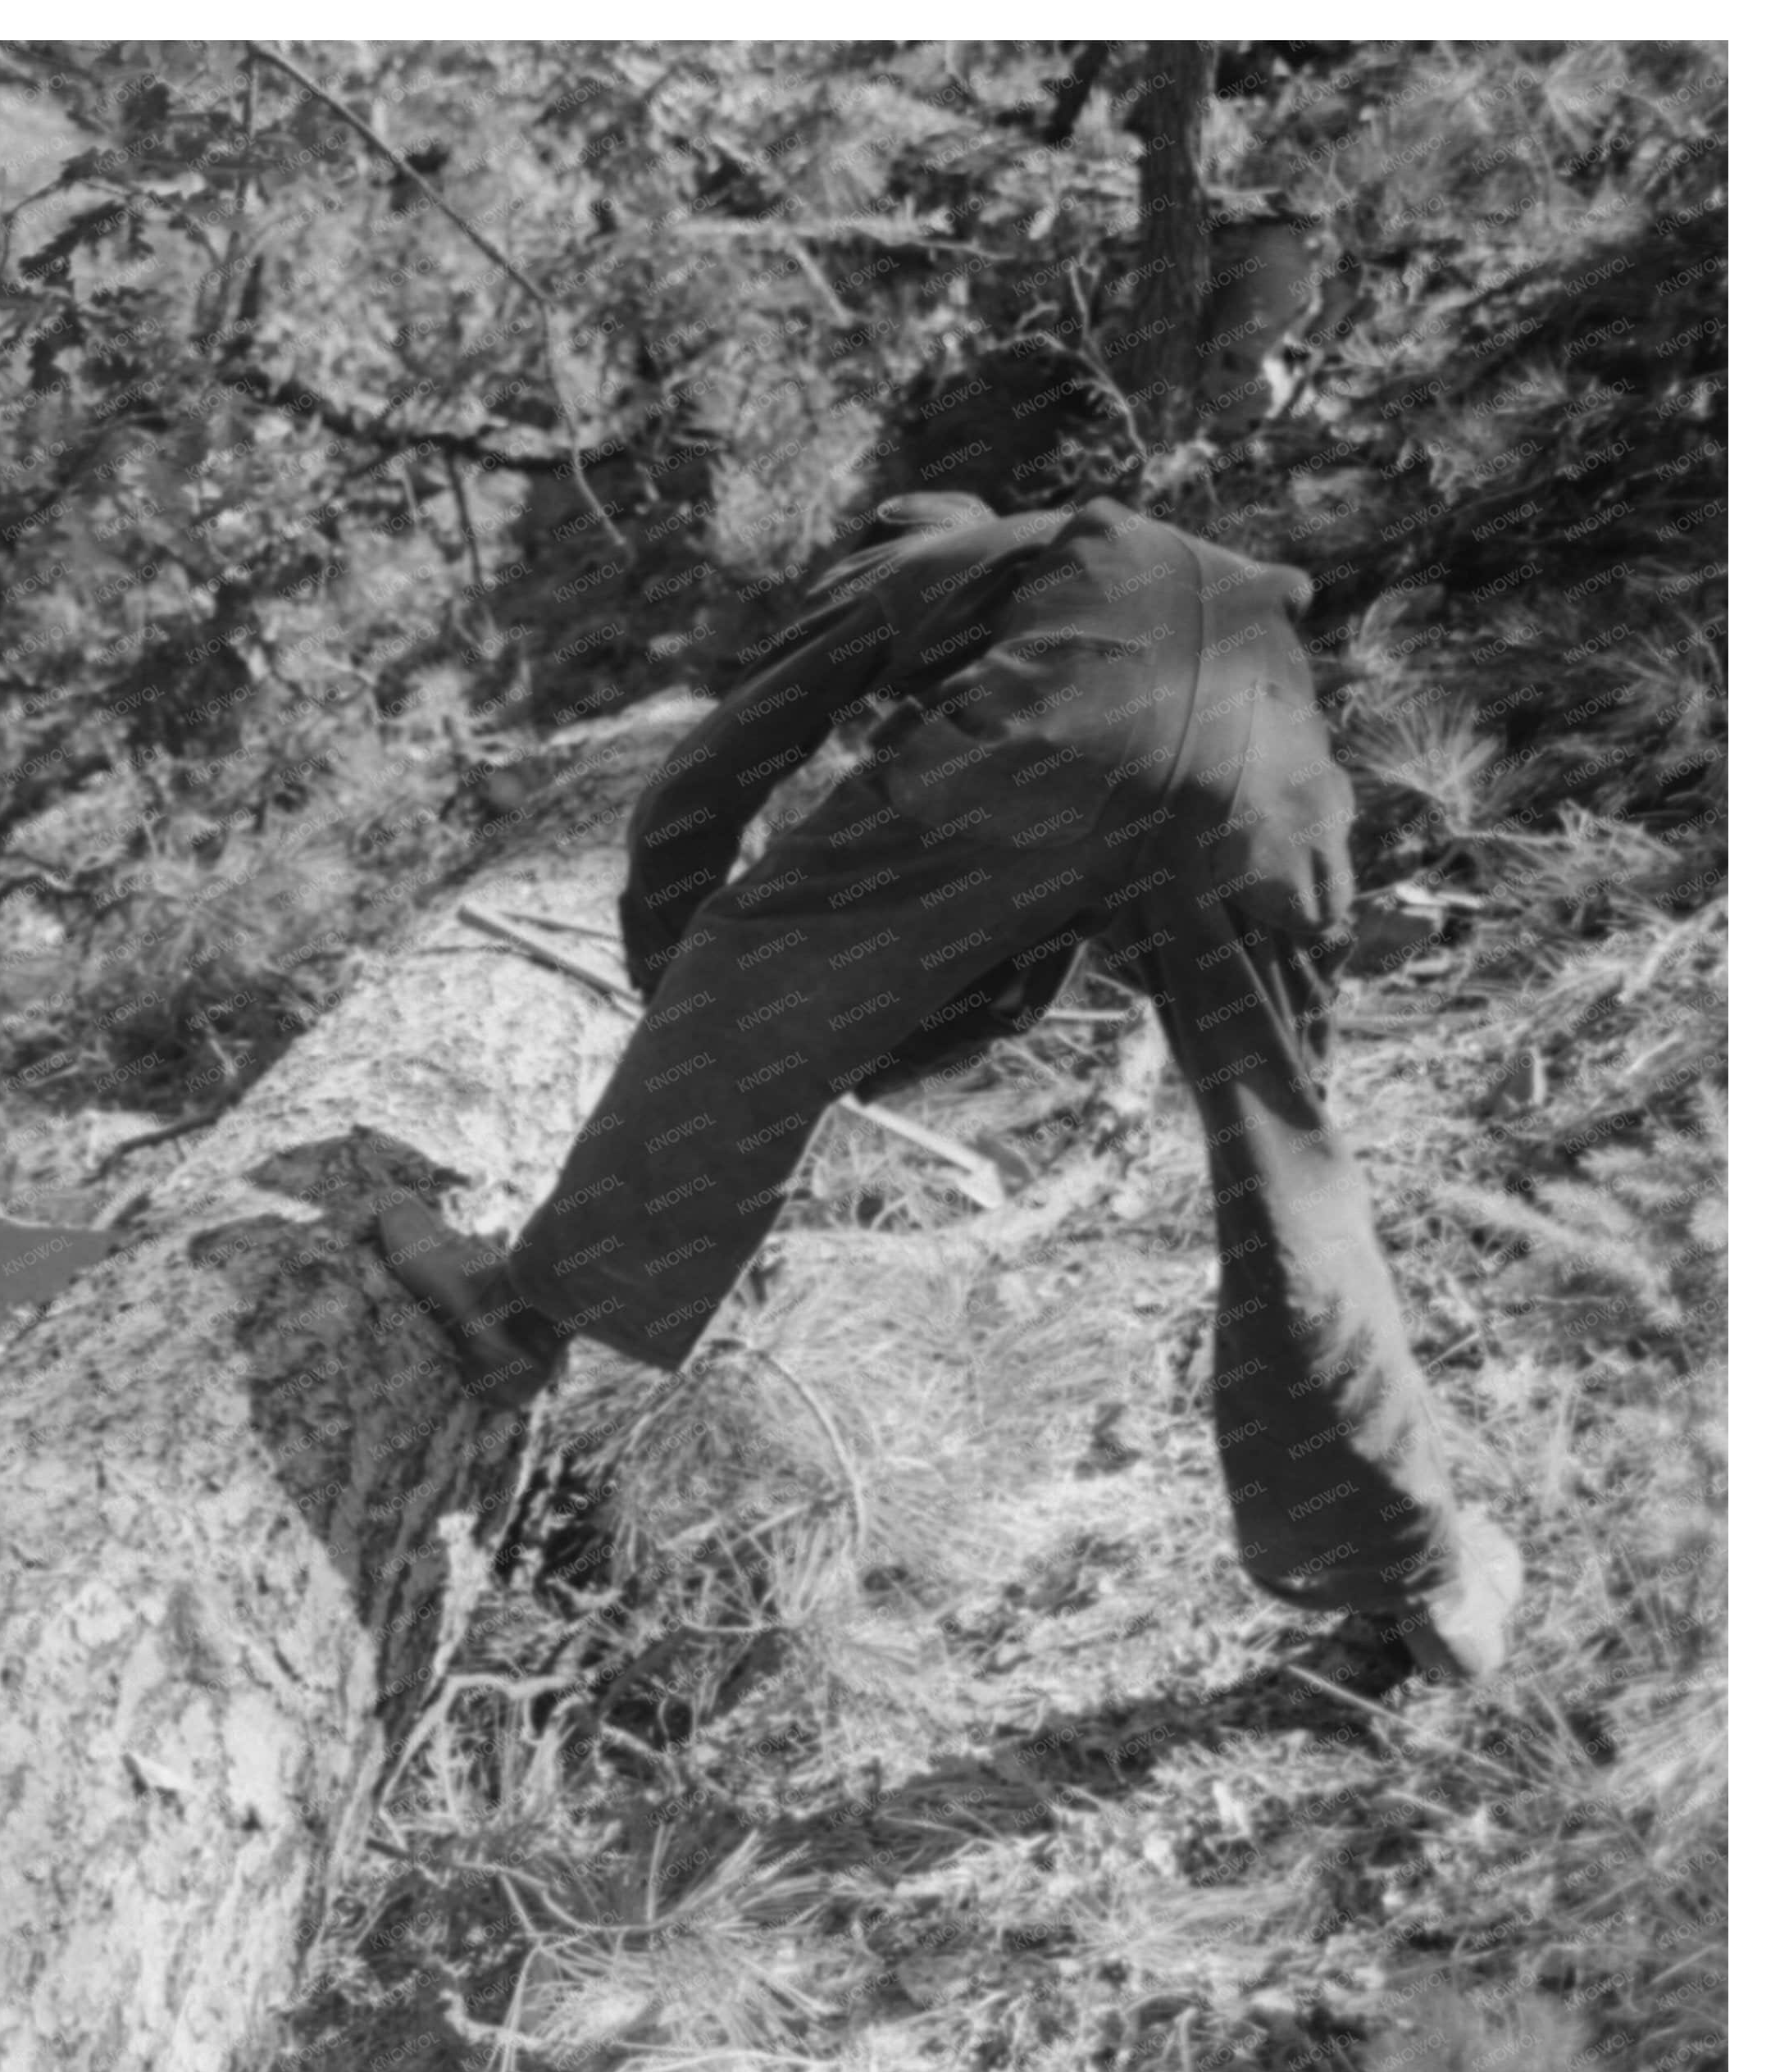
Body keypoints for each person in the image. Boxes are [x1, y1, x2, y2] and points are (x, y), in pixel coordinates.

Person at [380, 494, 1523, 1682]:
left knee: (750, 959)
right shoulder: (1135, 580)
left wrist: (683, 984)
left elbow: (713, 773)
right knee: (1287, 1161)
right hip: (1276, 803)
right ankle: (1415, 1568)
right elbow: (1005, 961)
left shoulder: (915, 560)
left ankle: (521, 1319)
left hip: (1074, 733)